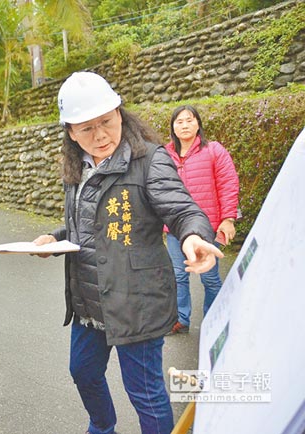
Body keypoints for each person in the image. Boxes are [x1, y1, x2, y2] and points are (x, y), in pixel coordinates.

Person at [32, 72, 223, 434]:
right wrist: (55, 239)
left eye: (106, 121)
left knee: (145, 393)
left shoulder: (150, 160)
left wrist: (193, 236)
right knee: (83, 372)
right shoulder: (77, 169)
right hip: (90, 300)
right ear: (71, 132)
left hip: (137, 300)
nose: (100, 135)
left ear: (120, 112)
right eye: (86, 128)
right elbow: (88, 224)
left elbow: (183, 209)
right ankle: (102, 427)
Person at [164, 105, 239, 335]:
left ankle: (214, 320)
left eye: (189, 120)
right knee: (178, 275)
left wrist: (228, 219)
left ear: (198, 124)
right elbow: (158, 191)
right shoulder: (164, 155)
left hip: (208, 227)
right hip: (175, 227)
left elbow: (228, 183)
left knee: (210, 278)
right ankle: (180, 319)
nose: (185, 125)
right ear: (173, 128)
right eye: (179, 121)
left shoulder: (214, 150)